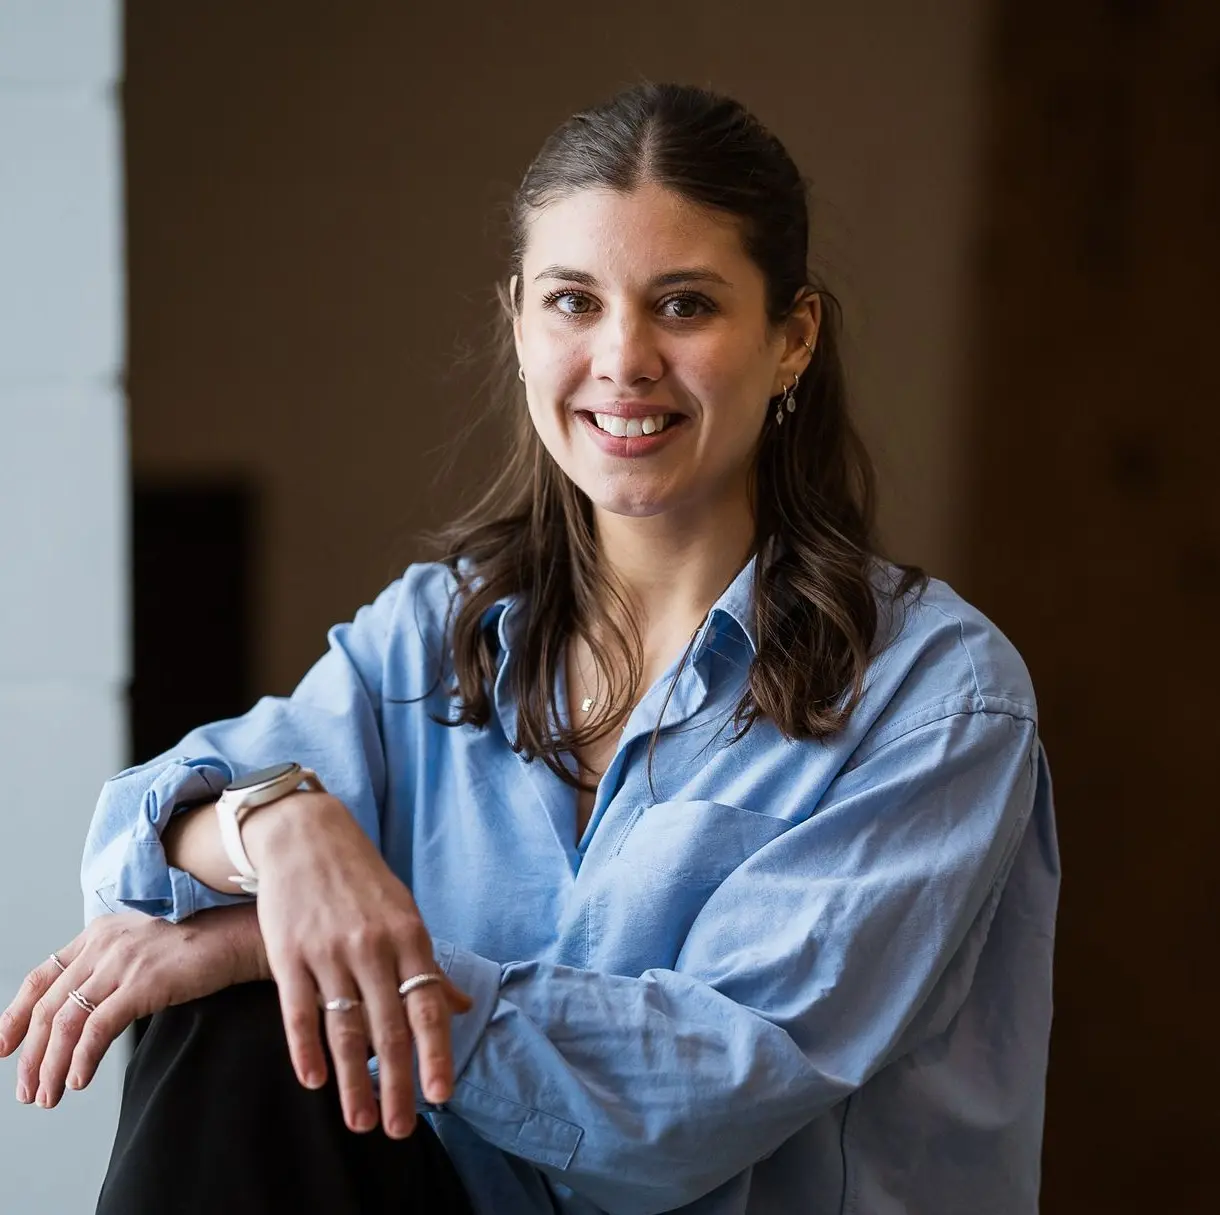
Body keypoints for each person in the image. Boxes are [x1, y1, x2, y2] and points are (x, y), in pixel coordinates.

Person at [0, 82, 1059, 1215]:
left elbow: (700, 1098)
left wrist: (279, 944)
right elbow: (132, 858)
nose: (624, 358)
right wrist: (280, 825)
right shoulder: (432, 631)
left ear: (791, 338)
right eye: (572, 302)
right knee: (234, 1028)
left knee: (263, 977)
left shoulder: (937, 698)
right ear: (517, 324)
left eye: (684, 305)